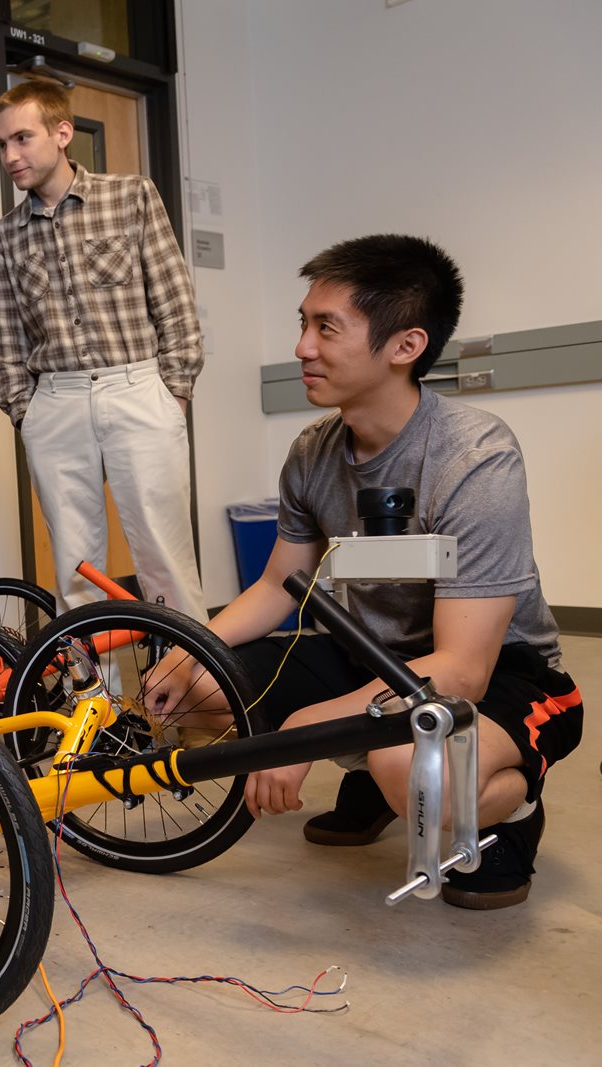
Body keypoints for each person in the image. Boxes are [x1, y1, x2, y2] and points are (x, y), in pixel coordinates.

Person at [149, 234, 584, 910]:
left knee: (411, 766)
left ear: (404, 346)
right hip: (372, 657)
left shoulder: (475, 455)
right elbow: (275, 587)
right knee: (201, 687)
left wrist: (303, 731)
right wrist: (186, 649)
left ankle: (513, 811)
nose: (303, 346)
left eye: (328, 327)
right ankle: (367, 768)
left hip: (502, 672)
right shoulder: (312, 452)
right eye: (303, 322)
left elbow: (463, 669)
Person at [0, 78, 206, 620]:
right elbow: (7, 337)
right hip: (54, 402)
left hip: (137, 389)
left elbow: (176, 303)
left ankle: (200, 697)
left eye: (22, 138)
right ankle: (96, 700)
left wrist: (172, 394)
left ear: (62, 133)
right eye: (2, 145)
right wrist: (27, 412)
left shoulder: (131, 196)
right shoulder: (5, 236)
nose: (10, 156)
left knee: (165, 559)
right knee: (75, 570)